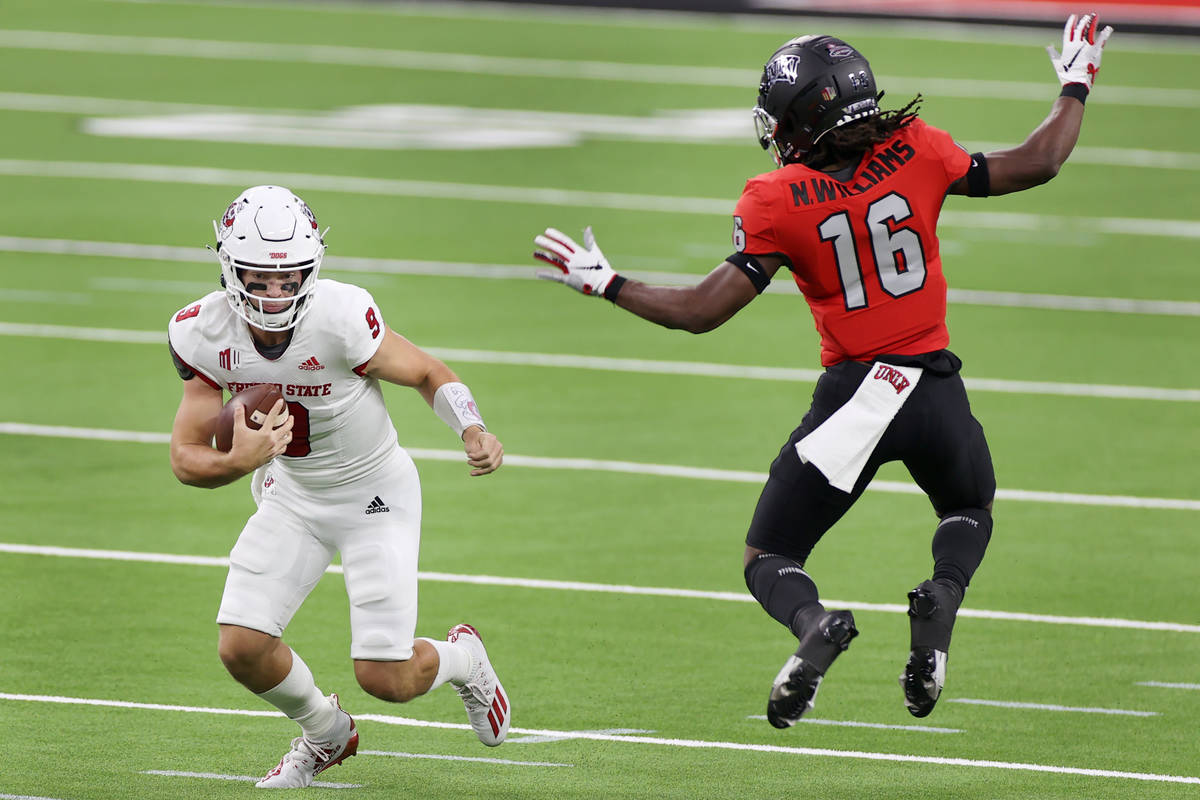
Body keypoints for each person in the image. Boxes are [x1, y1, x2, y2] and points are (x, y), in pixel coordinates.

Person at [532, 14, 1112, 726]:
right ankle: (942, 600)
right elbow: (1038, 161)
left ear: (802, 119)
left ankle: (814, 625)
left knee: (767, 554)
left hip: (858, 400)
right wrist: (1076, 84)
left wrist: (609, 283)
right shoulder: (918, 149)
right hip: (934, 387)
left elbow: (700, 311)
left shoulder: (775, 199)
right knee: (968, 510)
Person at [168, 185, 512, 788]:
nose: (275, 294)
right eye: (259, 277)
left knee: (387, 678)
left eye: (289, 277)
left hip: (374, 496)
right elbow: (186, 457)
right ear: (228, 267)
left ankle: (465, 659)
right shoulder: (202, 332)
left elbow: (428, 372)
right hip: (292, 496)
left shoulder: (341, 317)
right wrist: (240, 461)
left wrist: (471, 425)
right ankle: (325, 733)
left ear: (313, 268)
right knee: (241, 646)